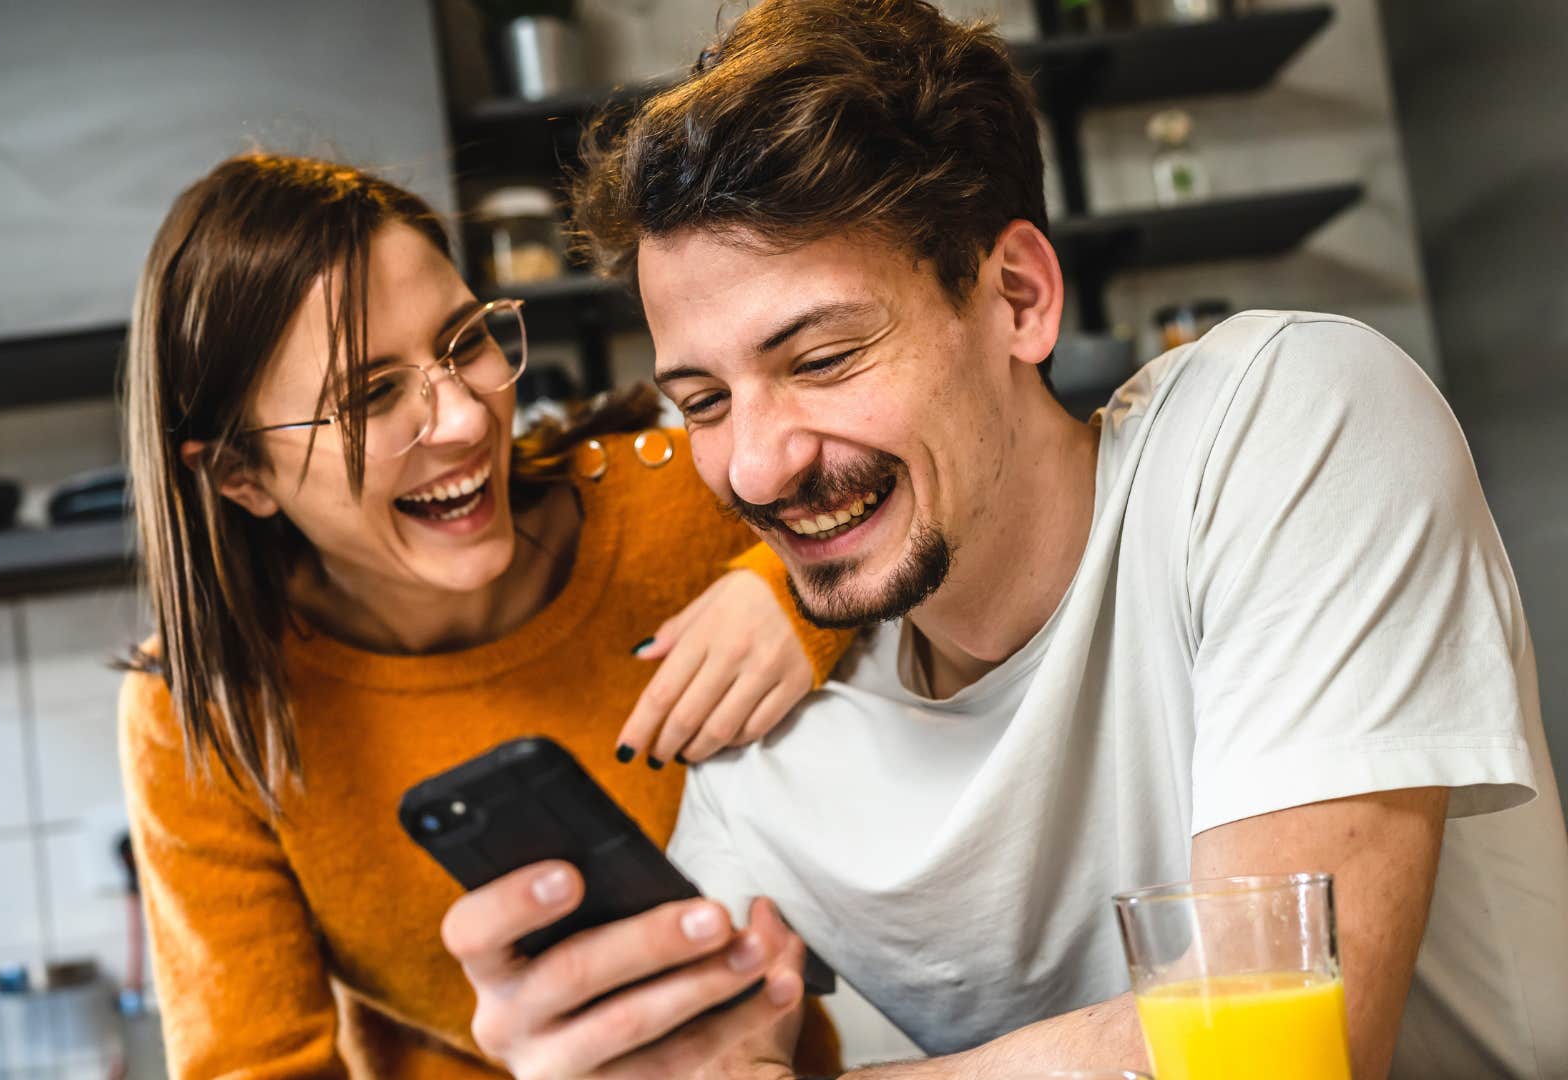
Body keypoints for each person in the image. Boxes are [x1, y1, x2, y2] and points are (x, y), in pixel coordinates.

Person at [440, 1, 1568, 1077]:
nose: (754, 466)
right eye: (703, 402)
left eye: (823, 359)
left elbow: (1289, 1045)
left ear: (1020, 295)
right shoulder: (764, 753)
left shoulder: (1284, 419)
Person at [115, 154, 850, 1077]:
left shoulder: (686, 506)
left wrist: (806, 592)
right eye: (369, 396)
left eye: (465, 342)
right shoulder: (213, 714)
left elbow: (978, 513)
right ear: (240, 476)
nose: (464, 419)